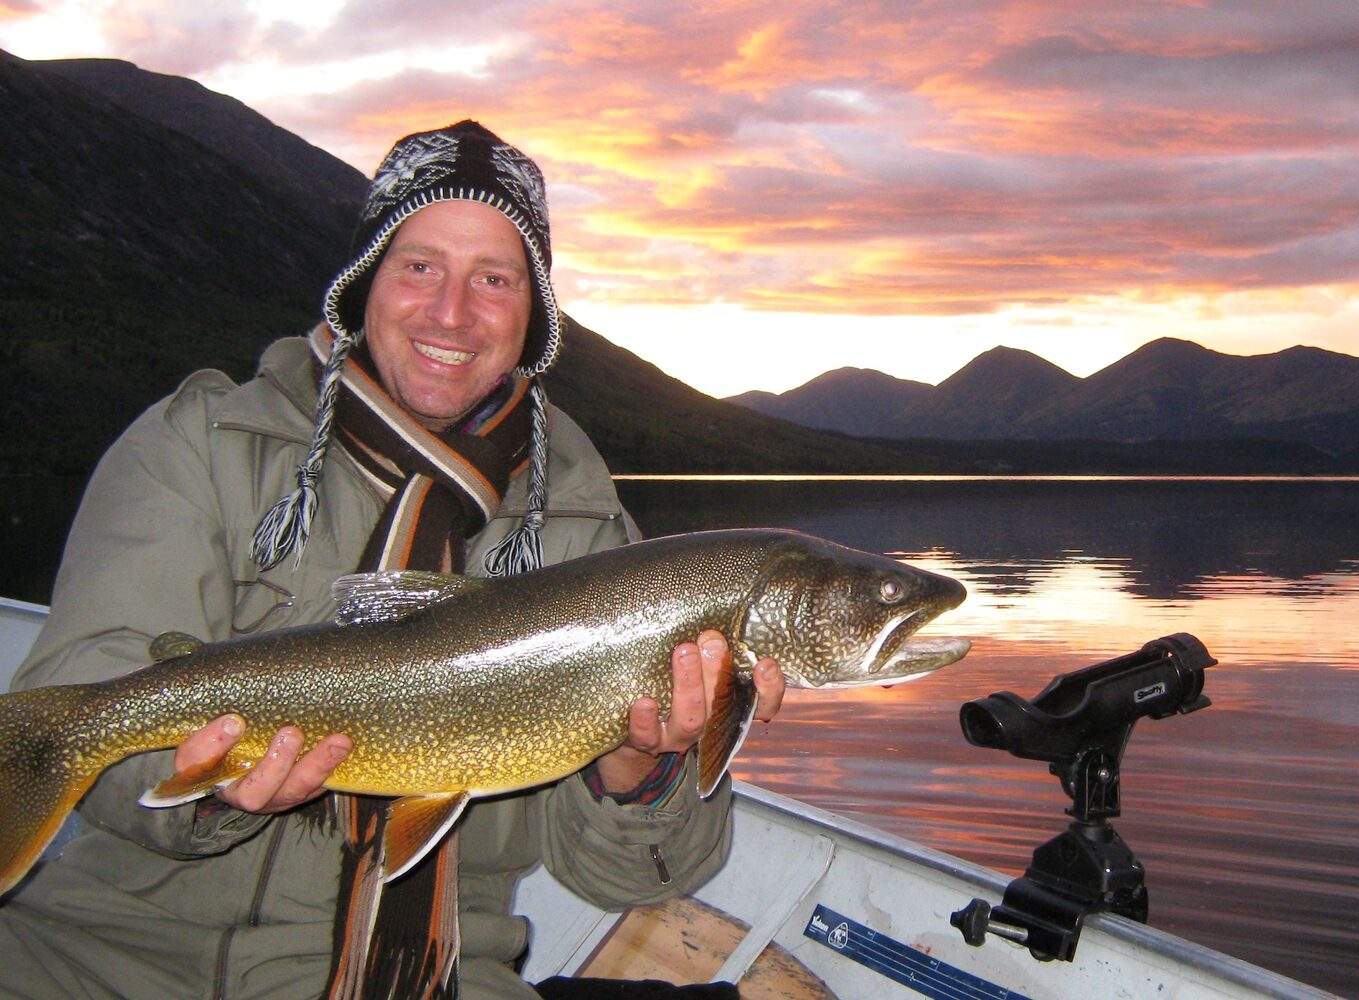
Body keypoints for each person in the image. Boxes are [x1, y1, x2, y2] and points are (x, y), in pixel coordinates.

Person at [0, 120, 785, 999]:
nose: (452, 312)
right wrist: (210, 785)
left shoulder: (591, 532)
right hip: (121, 960)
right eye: (419, 266)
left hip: (447, 973)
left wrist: (642, 768)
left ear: (535, 318)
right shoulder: (205, 443)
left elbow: (634, 884)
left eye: (495, 279)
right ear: (364, 278)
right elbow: (88, 685)